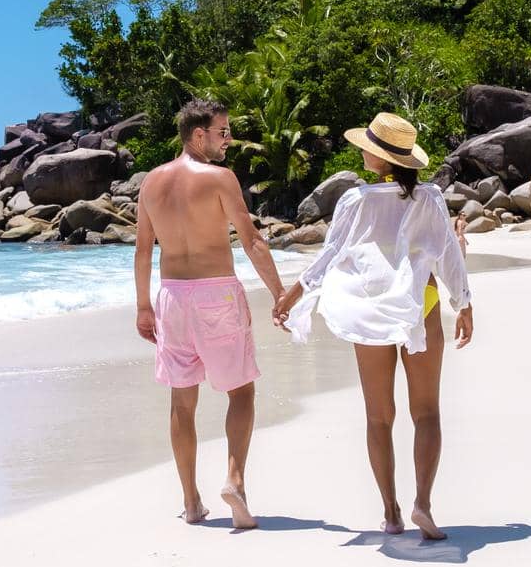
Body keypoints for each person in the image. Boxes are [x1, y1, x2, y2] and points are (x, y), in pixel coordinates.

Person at [275, 112, 473, 541]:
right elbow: (448, 257)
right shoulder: (430, 198)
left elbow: (330, 256)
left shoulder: (355, 200)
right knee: (427, 413)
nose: (361, 150)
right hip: (420, 304)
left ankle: (391, 511)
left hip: (367, 311)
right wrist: (464, 303)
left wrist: (294, 294)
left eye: (366, 145)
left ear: (378, 157)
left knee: (378, 417)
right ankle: (423, 502)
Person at [135, 97, 287, 530]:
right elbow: (252, 240)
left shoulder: (151, 183)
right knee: (240, 392)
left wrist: (144, 306)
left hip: (172, 298)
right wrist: (280, 294)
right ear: (198, 135)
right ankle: (235, 482)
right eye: (223, 132)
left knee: (182, 402)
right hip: (216, 295)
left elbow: (144, 249)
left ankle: (191, 502)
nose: (229, 140)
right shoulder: (220, 178)